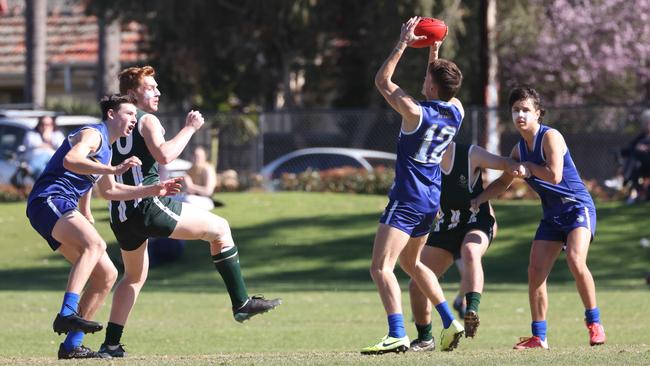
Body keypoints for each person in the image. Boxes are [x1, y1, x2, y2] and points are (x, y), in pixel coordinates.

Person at [99, 66, 281, 358]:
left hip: (120, 214)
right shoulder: (146, 120)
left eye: (157, 87)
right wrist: (191, 127)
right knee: (220, 229)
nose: (157, 92)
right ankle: (242, 303)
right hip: (148, 205)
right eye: (150, 87)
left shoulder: (110, 123)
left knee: (133, 277)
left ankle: (110, 345)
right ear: (132, 94)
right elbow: (165, 155)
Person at [25, 94, 182, 360]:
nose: (134, 119)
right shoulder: (93, 134)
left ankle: (72, 346)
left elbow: (110, 191)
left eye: (135, 115)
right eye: (129, 114)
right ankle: (67, 313)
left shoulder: (107, 149)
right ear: (111, 114)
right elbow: (71, 160)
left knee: (107, 274)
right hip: (48, 199)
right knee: (95, 245)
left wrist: (153, 189)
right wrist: (115, 168)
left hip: (63, 206)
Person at [360, 16, 465, 355]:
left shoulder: (413, 112)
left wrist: (404, 42)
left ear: (432, 87)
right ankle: (450, 320)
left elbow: (382, 80)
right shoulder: (457, 111)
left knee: (380, 267)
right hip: (431, 201)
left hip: (407, 199)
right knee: (412, 264)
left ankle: (396, 333)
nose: (423, 79)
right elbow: (440, 87)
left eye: (427, 77)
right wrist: (434, 50)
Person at [471, 86, 606, 349]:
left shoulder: (550, 137)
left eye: (525, 110)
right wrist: (478, 200)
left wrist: (529, 168)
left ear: (538, 114)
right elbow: (502, 183)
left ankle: (594, 323)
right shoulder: (518, 150)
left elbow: (554, 175)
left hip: (577, 208)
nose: (520, 115)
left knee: (576, 260)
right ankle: (538, 336)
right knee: (535, 272)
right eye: (515, 110)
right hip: (552, 215)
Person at [408, 142, 522, 351]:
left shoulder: (469, 153)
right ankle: (425, 339)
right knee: (416, 285)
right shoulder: (420, 158)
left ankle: (471, 310)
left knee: (470, 251)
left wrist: (515, 166)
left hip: (476, 220)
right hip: (446, 226)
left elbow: (505, 164)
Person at [620, 110, 650, 203]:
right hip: (641, 165)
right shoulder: (641, 136)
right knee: (634, 164)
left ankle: (626, 178)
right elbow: (628, 148)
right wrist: (638, 147)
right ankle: (637, 191)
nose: (647, 125)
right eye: (646, 122)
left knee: (634, 159)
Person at [180, 145, 218, 210]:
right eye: (194, 156)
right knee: (171, 198)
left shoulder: (207, 169)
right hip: (191, 197)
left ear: (205, 157)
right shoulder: (190, 170)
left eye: (199, 156)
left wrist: (191, 187)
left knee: (188, 200)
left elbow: (208, 191)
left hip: (206, 200)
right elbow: (184, 190)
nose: (196, 158)